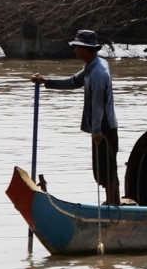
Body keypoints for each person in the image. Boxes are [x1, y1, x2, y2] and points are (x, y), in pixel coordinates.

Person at [30, 30, 121, 205]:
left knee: (107, 167)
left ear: (87, 49)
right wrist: (46, 82)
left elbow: (98, 104)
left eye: (78, 47)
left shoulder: (97, 72)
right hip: (100, 124)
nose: (75, 51)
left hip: (104, 126)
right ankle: (111, 201)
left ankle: (113, 203)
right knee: (102, 167)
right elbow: (73, 82)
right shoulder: (93, 65)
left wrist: (96, 131)